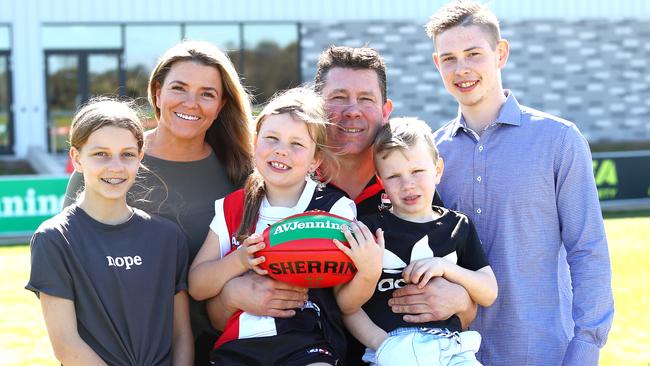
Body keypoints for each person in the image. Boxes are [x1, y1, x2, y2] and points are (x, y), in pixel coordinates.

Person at [426, 2, 614, 365]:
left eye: (473, 54)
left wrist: (586, 347)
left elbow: (587, 249)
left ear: (501, 53)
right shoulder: (432, 156)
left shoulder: (559, 140)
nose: (461, 69)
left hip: (543, 351)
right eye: (448, 58)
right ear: (437, 65)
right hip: (456, 354)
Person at [63, 40, 254, 365]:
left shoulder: (241, 175)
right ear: (156, 93)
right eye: (179, 88)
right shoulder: (111, 167)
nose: (191, 103)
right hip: (117, 354)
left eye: (207, 93)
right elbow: (68, 276)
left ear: (221, 105)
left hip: (220, 351)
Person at [188, 87, 383, 365]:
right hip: (239, 343)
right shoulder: (233, 207)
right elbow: (197, 286)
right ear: (255, 143)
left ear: (315, 159)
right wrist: (240, 260)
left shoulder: (333, 209)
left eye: (297, 144)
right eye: (272, 138)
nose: (281, 150)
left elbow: (345, 301)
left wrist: (368, 271)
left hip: (306, 342)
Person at [26, 98, 193, 365]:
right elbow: (66, 345)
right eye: (101, 154)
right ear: (76, 158)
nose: (115, 166)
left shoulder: (168, 238)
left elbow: (182, 335)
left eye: (126, 154)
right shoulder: (55, 239)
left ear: (140, 157)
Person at [343, 117, 497, 366]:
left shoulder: (457, 226)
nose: (408, 184)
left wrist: (446, 268)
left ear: (437, 171)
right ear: (381, 182)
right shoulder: (370, 229)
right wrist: (382, 344)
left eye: (417, 171)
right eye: (394, 176)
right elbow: (347, 306)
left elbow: (488, 292)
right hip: (391, 346)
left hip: (451, 348)